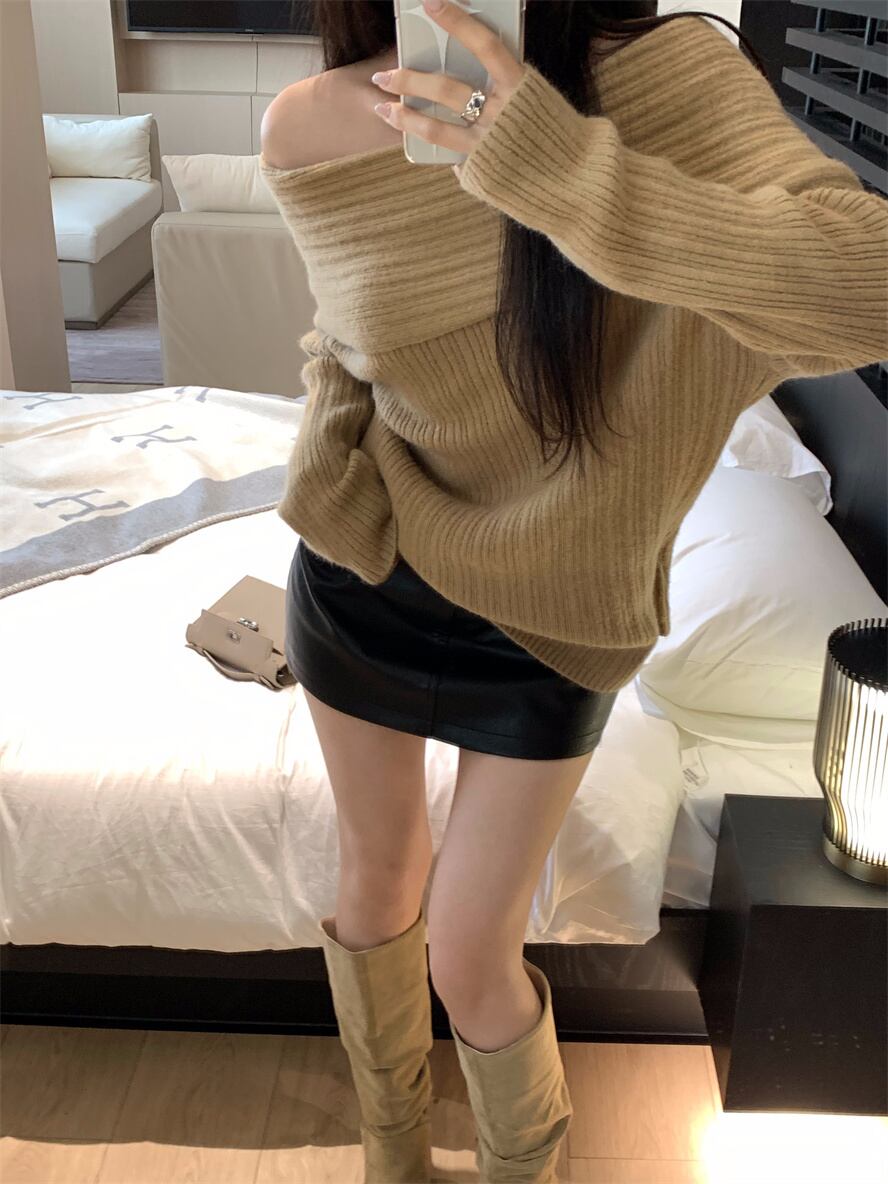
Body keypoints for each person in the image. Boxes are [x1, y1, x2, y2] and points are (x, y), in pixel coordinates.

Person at [259, 1, 888, 1180]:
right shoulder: (310, 121)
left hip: (554, 617)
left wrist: (552, 168)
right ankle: (391, 1156)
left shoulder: (673, 79)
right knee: (374, 887)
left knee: (470, 953)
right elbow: (348, 337)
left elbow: (869, 285)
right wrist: (323, 457)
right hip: (364, 577)